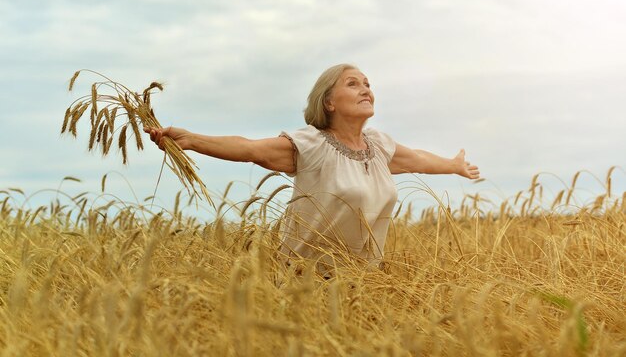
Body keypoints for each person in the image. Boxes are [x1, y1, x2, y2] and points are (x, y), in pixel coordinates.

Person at [144, 63, 480, 272]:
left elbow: (418, 159)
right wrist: (190, 139)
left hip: (365, 287)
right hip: (304, 284)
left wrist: (453, 165)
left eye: (367, 82)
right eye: (353, 83)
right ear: (329, 102)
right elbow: (250, 149)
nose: (366, 88)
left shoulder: (379, 146)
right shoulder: (312, 145)